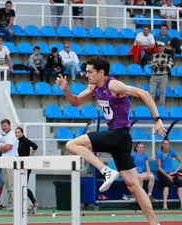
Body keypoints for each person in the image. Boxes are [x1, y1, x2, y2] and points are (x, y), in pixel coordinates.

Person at [56, 56, 166, 225]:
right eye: (86, 72)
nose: (87, 75)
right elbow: (75, 102)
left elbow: (143, 93)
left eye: (90, 72)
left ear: (102, 73)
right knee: (133, 186)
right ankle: (155, 223)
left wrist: (157, 119)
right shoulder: (94, 87)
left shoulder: (113, 85)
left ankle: (106, 170)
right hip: (119, 139)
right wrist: (65, 90)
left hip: (119, 135)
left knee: (72, 144)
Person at [15, 127, 39, 212]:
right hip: (22, 165)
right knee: (21, 185)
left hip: (26, 166)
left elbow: (35, 146)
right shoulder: (19, 141)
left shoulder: (25, 140)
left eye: (18, 132)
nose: (17, 134)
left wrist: (29, 156)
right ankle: (22, 205)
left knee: (23, 185)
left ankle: (35, 203)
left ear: (22, 133)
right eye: (16, 132)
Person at [156, 138, 182, 210]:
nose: (165, 145)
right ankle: (165, 205)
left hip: (170, 173)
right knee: (167, 183)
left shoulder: (171, 152)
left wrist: (175, 171)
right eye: (164, 144)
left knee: (179, 184)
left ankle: (181, 204)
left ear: (169, 145)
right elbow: (159, 168)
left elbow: (181, 161)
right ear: (162, 144)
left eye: (167, 144)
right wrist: (168, 176)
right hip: (162, 173)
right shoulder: (159, 154)